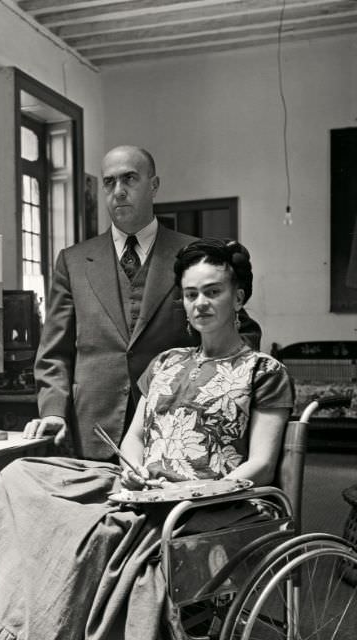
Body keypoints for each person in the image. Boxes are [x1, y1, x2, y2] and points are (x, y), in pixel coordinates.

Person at [0, 238, 293, 640]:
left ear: (238, 296)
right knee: (20, 475)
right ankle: (6, 622)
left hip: (213, 504)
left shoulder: (262, 371)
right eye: (190, 293)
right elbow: (136, 437)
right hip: (146, 491)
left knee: (93, 536)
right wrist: (135, 472)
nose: (200, 303)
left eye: (213, 291)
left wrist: (196, 490)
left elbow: (261, 464)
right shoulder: (166, 363)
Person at [25, 146, 261, 459]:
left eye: (130, 179)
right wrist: (53, 411)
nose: (118, 191)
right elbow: (54, 351)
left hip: (176, 430)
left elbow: (240, 332)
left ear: (153, 185)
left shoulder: (194, 254)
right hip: (93, 427)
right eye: (109, 182)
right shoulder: (73, 261)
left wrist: (212, 394)